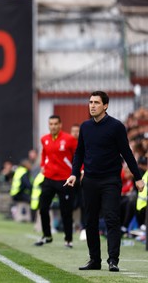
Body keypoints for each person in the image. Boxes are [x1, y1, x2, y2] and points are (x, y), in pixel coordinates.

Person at [66, 91, 145, 272]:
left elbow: (127, 153)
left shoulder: (116, 127)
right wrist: (74, 173)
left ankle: (113, 260)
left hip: (110, 181)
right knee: (91, 221)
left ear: (105, 105)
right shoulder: (85, 127)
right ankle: (94, 260)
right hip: (90, 181)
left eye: (96, 103)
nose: (92, 105)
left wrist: (138, 178)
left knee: (111, 219)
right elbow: (79, 153)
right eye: (90, 102)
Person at [34, 115, 77, 248]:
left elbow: (78, 156)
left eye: (55, 124)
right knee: (43, 208)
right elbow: (44, 154)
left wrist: (78, 171)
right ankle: (47, 235)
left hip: (64, 179)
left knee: (66, 211)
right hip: (49, 178)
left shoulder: (69, 139)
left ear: (60, 125)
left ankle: (68, 239)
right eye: (51, 124)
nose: (53, 126)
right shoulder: (44, 139)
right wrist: (42, 165)